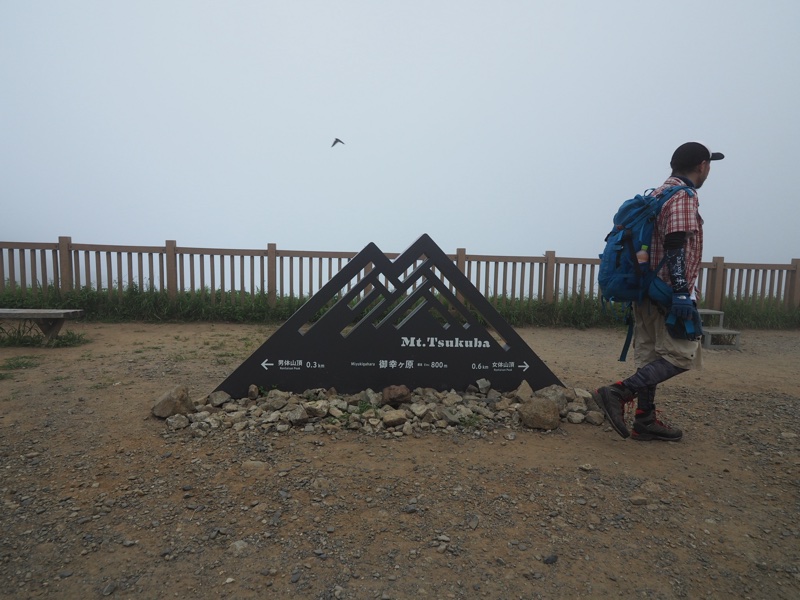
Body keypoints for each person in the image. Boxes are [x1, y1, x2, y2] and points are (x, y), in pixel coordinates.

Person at [593, 142, 725, 442]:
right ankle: (617, 392)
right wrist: (681, 293)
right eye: (709, 166)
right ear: (702, 165)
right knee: (683, 355)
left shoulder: (656, 194)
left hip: (644, 289)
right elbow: (676, 244)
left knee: (650, 356)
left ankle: (645, 419)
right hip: (667, 292)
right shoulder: (683, 196)